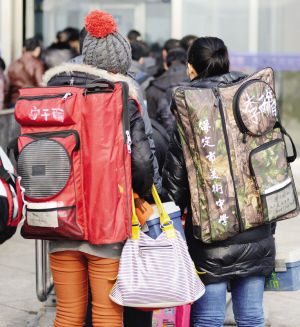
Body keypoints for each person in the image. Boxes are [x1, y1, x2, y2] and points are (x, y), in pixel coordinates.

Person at [43, 10, 154, 327]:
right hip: (106, 221)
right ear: (121, 62)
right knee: (107, 313)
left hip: (59, 216)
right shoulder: (121, 97)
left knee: (67, 313)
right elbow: (143, 161)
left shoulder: (53, 92)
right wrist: (141, 193)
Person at [162, 37, 275, 327]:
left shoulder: (189, 114)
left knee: (209, 318)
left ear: (190, 68)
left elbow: (174, 189)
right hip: (257, 228)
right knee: (251, 317)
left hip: (210, 235)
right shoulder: (250, 100)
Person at [146, 47, 187, 135]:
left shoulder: (153, 88)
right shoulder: (196, 84)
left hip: (164, 139)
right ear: (188, 65)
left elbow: (152, 122)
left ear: (166, 65)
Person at [7, 37, 45, 106]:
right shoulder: (37, 64)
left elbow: (7, 86)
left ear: (24, 48)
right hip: (31, 101)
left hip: (15, 101)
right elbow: (41, 85)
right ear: (37, 49)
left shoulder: (13, 64)